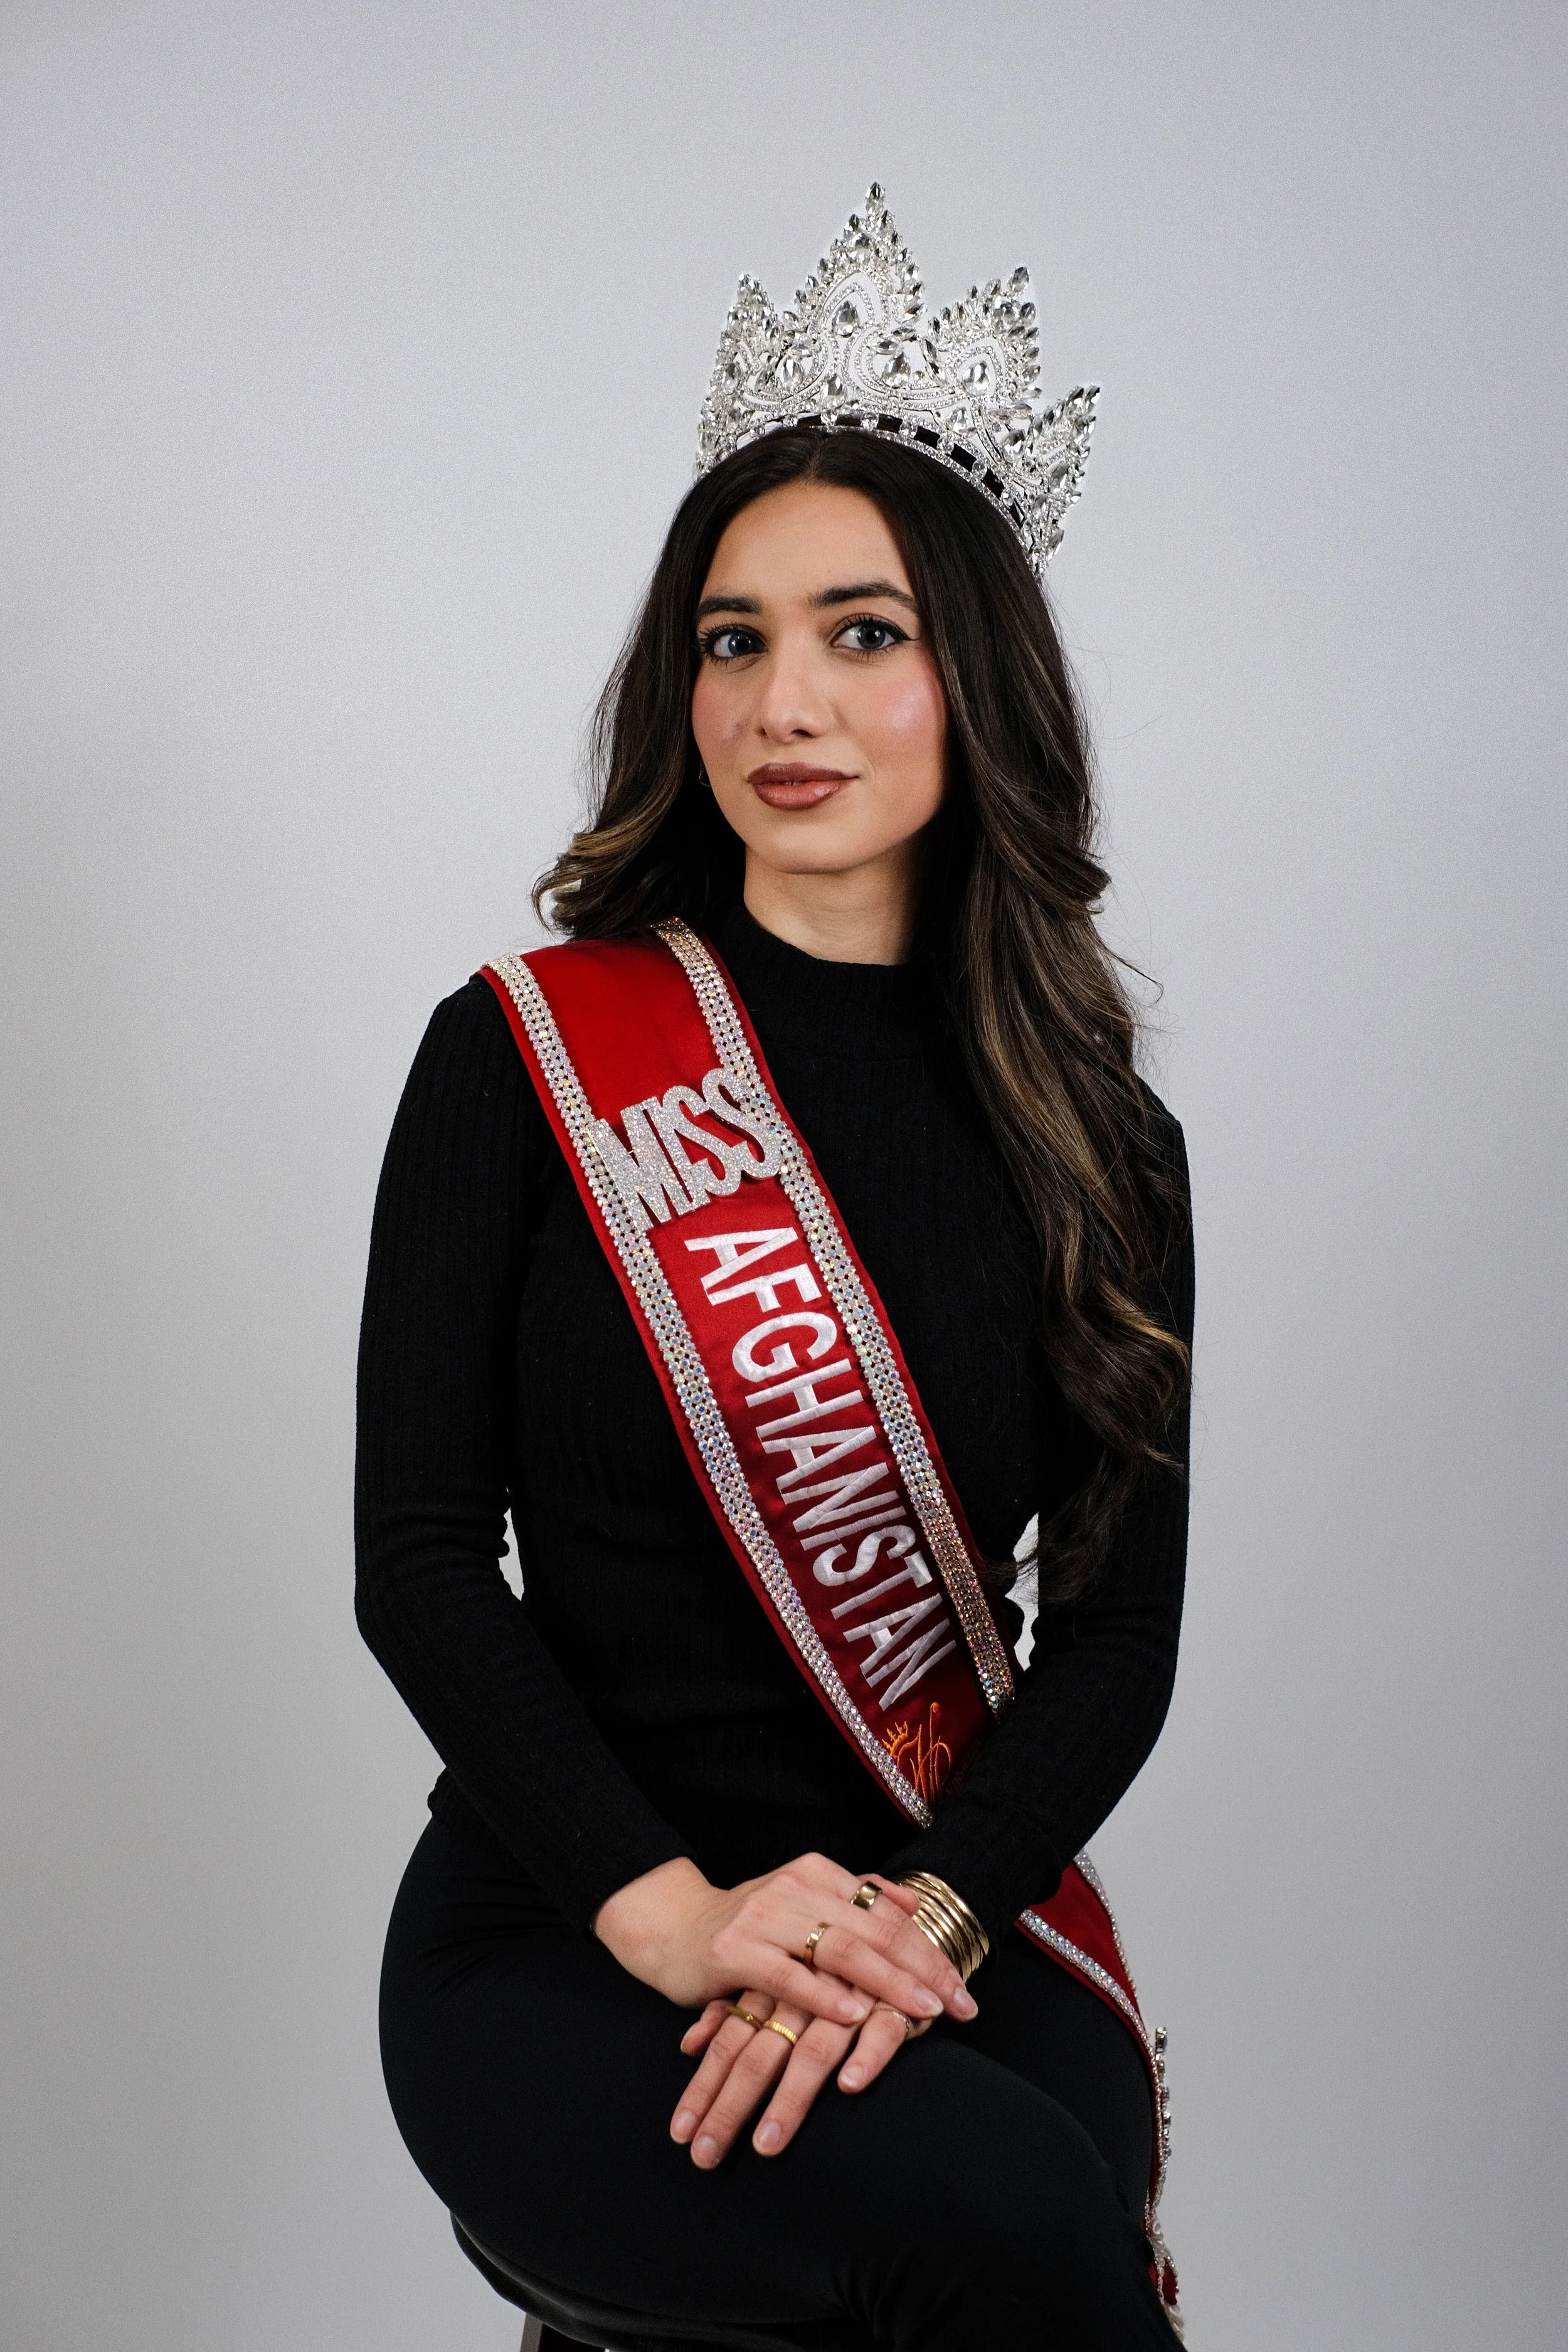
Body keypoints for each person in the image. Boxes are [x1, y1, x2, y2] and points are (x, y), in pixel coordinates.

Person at [357, 190, 1193, 2349]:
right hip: (569, 1916)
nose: (781, 699)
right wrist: (674, 1918)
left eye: (862, 630)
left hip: (937, 1901)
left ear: (974, 681)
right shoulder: (531, 1050)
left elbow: (1111, 1643)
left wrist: (916, 1918)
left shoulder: (1100, 1139)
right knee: (1009, 2223)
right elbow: (422, 1558)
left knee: (1063, 2169)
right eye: (730, 638)